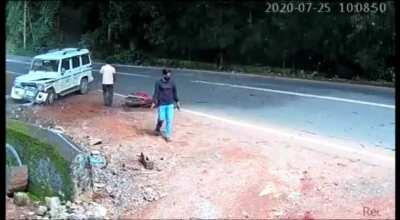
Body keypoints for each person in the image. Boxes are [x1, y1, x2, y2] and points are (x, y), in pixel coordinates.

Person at [151, 69, 181, 142]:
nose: (169, 76)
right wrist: (154, 102)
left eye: (170, 74)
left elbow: (175, 93)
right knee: (161, 118)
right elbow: (156, 93)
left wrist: (177, 102)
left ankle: (168, 136)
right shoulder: (158, 83)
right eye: (167, 74)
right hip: (161, 104)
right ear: (164, 74)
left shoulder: (172, 82)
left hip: (170, 104)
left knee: (169, 120)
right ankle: (158, 128)